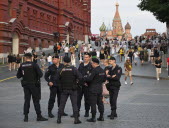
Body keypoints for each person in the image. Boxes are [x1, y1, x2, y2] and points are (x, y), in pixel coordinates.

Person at [16, 53, 48, 122]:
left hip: (26, 85)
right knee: (36, 101)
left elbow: (18, 76)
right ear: (31, 57)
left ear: (25, 58)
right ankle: (39, 116)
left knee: (27, 100)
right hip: (34, 85)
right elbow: (41, 74)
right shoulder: (34, 64)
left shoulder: (22, 65)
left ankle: (26, 117)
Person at [57, 56, 82, 124]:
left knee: (62, 104)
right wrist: (76, 82)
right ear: (70, 61)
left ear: (64, 62)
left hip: (64, 89)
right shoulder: (73, 69)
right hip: (73, 89)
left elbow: (57, 79)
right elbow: (80, 77)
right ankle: (76, 119)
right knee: (74, 104)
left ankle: (59, 119)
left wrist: (61, 86)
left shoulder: (61, 69)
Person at [84, 58, 106, 122]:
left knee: (93, 103)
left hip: (93, 89)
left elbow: (89, 79)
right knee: (100, 103)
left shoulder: (94, 70)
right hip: (99, 89)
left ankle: (93, 118)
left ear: (94, 63)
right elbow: (104, 79)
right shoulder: (102, 70)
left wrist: (85, 77)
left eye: (92, 63)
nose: (91, 64)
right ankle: (101, 116)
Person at [77, 52, 93, 117]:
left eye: (86, 57)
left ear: (89, 58)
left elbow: (91, 76)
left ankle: (87, 112)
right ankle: (77, 112)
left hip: (87, 85)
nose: (85, 58)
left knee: (87, 99)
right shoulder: (81, 65)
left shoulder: (91, 66)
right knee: (78, 99)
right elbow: (78, 73)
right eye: (84, 57)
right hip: (80, 85)